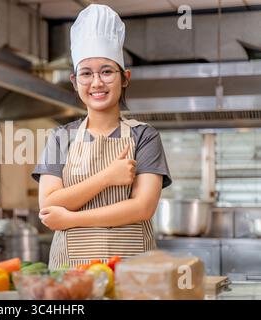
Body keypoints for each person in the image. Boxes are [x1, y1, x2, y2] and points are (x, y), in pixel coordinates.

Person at [31, 4, 172, 269]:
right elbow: (49, 204)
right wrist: (108, 177)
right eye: (86, 73)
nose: (96, 83)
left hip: (132, 271)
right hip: (72, 271)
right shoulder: (60, 137)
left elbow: (141, 208)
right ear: (75, 82)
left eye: (107, 71)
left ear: (125, 78)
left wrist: (71, 219)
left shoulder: (145, 137)